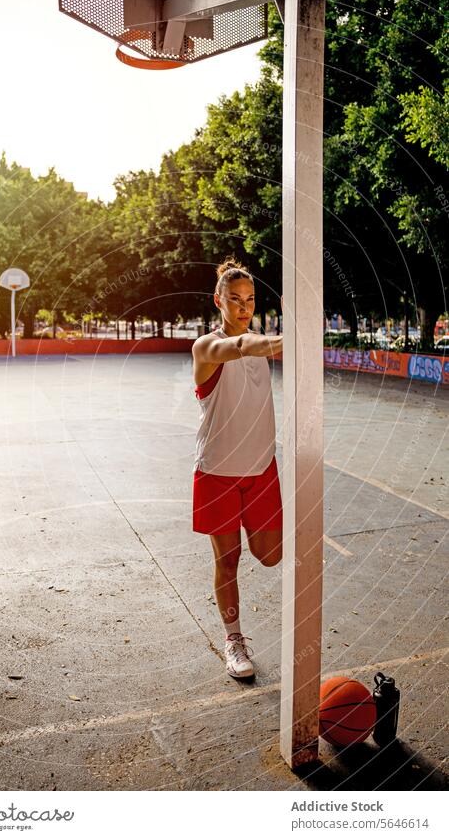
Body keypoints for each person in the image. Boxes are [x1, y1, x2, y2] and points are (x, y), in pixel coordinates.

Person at [192, 258, 283, 679]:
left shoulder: (262, 345)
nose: (244, 307)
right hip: (218, 471)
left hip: (261, 468)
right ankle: (233, 642)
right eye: (235, 299)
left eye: (250, 300)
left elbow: (255, 345)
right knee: (228, 561)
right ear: (219, 301)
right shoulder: (206, 348)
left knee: (270, 555)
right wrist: (287, 338)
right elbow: (242, 346)